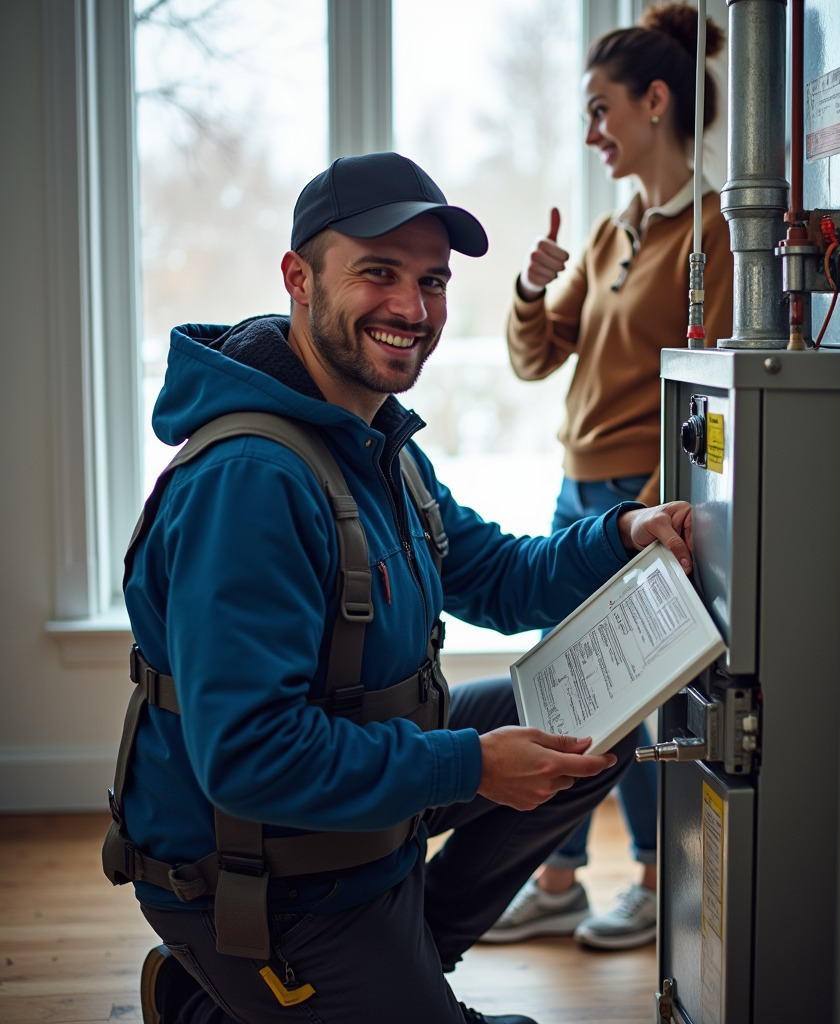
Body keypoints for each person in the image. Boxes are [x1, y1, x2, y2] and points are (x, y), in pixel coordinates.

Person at [107, 151, 696, 1023]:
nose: (413, 310)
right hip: (266, 876)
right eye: (377, 273)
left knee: (578, 735)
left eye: (433, 281)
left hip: (345, 831)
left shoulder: (374, 442)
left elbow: (495, 575)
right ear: (298, 279)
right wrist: (471, 765)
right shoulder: (252, 482)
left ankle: (401, 954)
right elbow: (251, 758)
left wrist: (622, 534)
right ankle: (217, 992)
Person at [484, 2, 732, 951]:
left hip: (638, 497)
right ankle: (558, 877)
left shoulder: (711, 230)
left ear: (655, 102)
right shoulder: (610, 232)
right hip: (575, 491)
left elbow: (704, 385)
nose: (591, 132)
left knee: (627, 702)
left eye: (602, 111)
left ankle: (648, 878)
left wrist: (646, 506)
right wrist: (531, 287)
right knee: (569, 698)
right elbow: (538, 357)